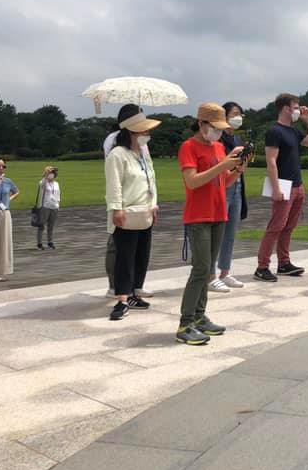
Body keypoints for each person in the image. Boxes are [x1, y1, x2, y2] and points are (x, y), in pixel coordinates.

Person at [176, 103, 245, 344]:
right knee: (200, 268)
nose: (218, 132)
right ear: (202, 124)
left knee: (208, 270)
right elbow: (192, 182)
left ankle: (199, 316)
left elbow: (223, 182)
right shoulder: (188, 147)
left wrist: (236, 170)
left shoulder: (217, 147)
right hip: (198, 215)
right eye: (214, 127)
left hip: (218, 213)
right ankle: (185, 323)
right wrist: (222, 165)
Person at [254, 93, 308, 282]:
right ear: (286, 108)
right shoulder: (274, 131)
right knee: (276, 226)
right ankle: (262, 266)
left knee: (289, 226)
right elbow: (271, 161)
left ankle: (284, 262)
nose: (298, 110)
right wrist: (276, 188)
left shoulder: (293, 131)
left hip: (297, 185)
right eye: (296, 106)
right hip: (284, 185)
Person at [105, 111, 160, 320]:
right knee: (124, 257)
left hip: (145, 211)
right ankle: (121, 299)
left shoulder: (144, 152)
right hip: (127, 211)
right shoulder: (118, 154)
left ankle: (136, 291)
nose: (147, 133)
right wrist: (116, 208)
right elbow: (114, 185)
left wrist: (154, 204)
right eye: (144, 129)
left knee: (141, 255)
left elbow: (151, 179)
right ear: (132, 130)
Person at [210, 101, 249, 293]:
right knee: (217, 231)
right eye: (234, 114)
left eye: (240, 114)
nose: (238, 117)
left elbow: (238, 166)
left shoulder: (237, 139)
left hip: (237, 185)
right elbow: (219, 165)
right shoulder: (218, 139)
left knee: (231, 233)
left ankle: (225, 271)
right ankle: (211, 274)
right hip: (222, 186)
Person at [35, 165, 60, 250]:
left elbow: (58, 194)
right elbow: (42, 184)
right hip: (45, 206)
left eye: (53, 173)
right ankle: (39, 243)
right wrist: (46, 174)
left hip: (54, 207)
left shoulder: (56, 184)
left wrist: (58, 204)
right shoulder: (43, 182)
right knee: (41, 225)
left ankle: (50, 242)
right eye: (50, 173)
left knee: (51, 226)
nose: (51, 174)